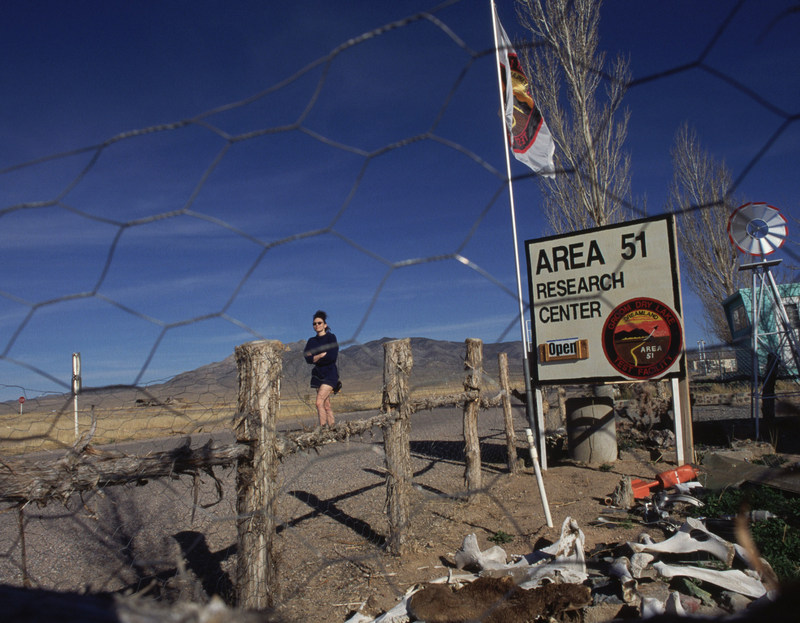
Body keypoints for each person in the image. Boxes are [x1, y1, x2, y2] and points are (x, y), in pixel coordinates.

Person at [303, 310, 339, 428]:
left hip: (330, 374)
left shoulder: (331, 338)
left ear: (325, 325)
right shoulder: (311, 341)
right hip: (318, 375)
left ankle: (323, 430)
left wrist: (315, 358)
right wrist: (320, 355)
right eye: (314, 323)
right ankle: (333, 430)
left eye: (319, 323)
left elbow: (332, 356)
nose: (317, 325)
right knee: (326, 405)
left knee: (319, 403)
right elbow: (307, 358)